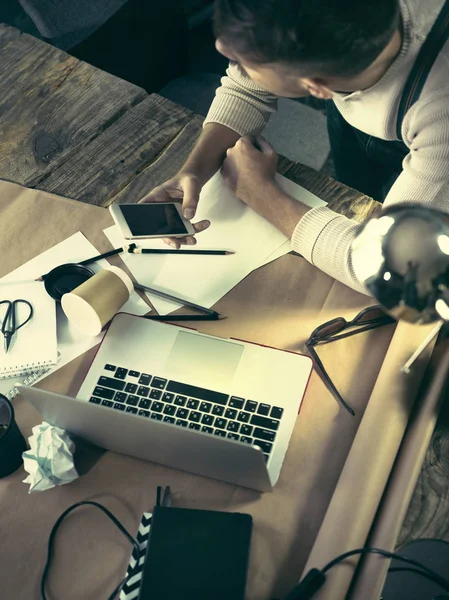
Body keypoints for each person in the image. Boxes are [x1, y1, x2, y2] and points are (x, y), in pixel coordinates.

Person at [142, 0, 449, 294]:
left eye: (244, 63)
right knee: (356, 194)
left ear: (315, 88)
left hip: (430, 148)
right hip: (377, 128)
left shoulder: (441, 116)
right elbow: (248, 89)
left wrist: (261, 193)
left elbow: (388, 268)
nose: (220, 48)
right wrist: (194, 170)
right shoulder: (335, 45)